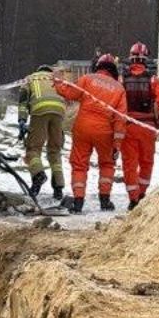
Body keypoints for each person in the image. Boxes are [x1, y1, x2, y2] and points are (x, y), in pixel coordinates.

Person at [55, 54, 128, 213]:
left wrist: (57, 82)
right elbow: (120, 119)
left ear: (98, 67)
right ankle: (105, 200)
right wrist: (116, 144)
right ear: (113, 70)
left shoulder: (87, 79)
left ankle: (78, 201)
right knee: (107, 164)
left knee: (79, 164)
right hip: (105, 131)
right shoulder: (119, 88)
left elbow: (70, 93)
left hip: (83, 127)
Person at [121, 44, 159, 208]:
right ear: (146, 59)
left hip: (128, 126)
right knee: (147, 162)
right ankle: (142, 193)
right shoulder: (152, 79)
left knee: (130, 163)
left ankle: (133, 198)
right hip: (148, 128)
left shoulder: (123, 79)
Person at [18, 64, 68, 200]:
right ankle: (58, 188)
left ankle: (38, 175)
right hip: (59, 112)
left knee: (33, 148)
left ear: (38, 71)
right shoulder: (55, 78)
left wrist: (22, 120)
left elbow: (22, 101)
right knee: (54, 150)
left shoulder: (31, 78)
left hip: (39, 110)